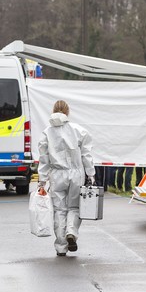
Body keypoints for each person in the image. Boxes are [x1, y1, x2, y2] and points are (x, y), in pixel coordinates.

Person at [38, 100, 95, 256]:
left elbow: (44, 159)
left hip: (57, 175)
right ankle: (71, 232)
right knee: (75, 207)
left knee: (59, 210)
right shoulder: (79, 131)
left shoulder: (46, 132)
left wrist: (42, 181)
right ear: (67, 112)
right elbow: (86, 155)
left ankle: (61, 246)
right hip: (76, 173)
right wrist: (91, 174)